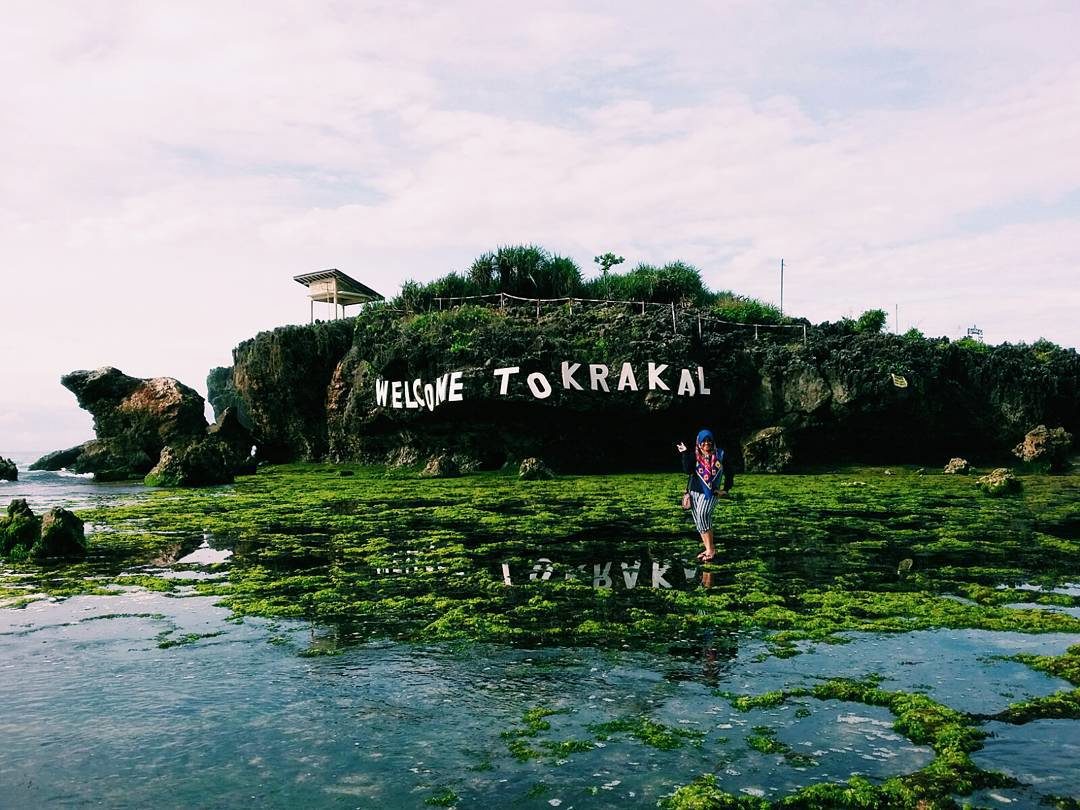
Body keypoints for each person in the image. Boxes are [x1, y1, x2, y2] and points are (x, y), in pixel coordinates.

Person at [676, 429, 733, 562]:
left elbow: (730, 472)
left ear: (713, 442)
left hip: (711, 493)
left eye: (709, 440)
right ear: (699, 443)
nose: (706, 443)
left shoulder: (721, 454)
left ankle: (711, 550)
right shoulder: (695, 455)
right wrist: (685, 453)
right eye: (703, 441)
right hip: (694, 492)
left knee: (703, 515)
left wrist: (726, 489)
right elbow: (687, 470)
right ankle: (708, 549)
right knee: (699, 521)